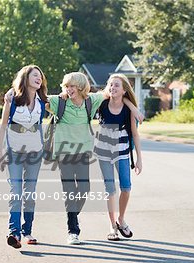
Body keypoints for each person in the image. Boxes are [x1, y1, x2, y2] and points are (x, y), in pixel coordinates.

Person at [47, 72, 143, 245]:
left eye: (73, 86)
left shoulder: (92, 101)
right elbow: (38, 99)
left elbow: (118, 94)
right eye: (67, 86)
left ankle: (75, 215)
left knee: (84, 189)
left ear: (82, 87)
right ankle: (73, 229)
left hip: (84, 151)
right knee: (71, 190)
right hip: (64, 152)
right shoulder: (60, 102)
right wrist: (13, 95)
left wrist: (134, 107)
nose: (69, 90)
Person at [0, 65, 48, 249]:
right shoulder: (12, 99)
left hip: (35, 153)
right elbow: (3, 126)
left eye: (40, 77)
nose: (39, 79)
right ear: (25, 78)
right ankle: (14, 232)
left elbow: (63, 100)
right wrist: (0, 151)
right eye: (35, 75)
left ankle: (28, 231)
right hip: (14, 152)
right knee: (16, 192)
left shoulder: (43, 101)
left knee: (30, 194)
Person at [93, 73, 142, 241]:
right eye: (111, 84)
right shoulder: (102, 103)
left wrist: (139, 159)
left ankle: (121, 219)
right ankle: (113, 226)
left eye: (116, 85)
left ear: (124, 90)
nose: (112, 87)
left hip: (122, 151)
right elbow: (86, 96)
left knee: (126, 188)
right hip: (103, 152)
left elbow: (135, 135)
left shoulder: (128, 109)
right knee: (110, 190)